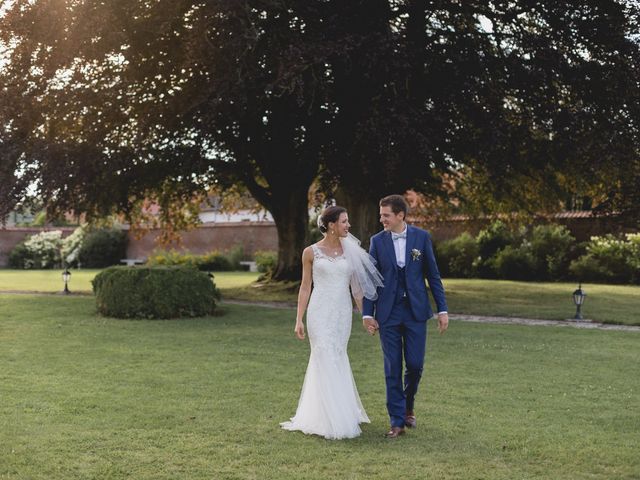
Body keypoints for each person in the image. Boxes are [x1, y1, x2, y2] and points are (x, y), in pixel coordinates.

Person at [281, 206, 384, 440]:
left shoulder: (352, 252)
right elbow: (305, 286)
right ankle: (327, 418)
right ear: (331, 225)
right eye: (344, 222)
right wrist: (299, 319)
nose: (349, 226)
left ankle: (342, 411)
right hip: (319, 312)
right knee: (323, 355)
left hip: (341, 313)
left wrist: (365, 316)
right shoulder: (310, 252)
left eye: (348, 221)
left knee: (338, 355)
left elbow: (357, 290)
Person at [362, 194, 448, 438]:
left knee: (414, 364)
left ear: (400, 215)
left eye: (386, 215)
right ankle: (396, 421)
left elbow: (433, 275)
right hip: (387, 313)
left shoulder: (422, 237)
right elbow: (371, 280)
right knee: (392, 367)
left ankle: (408, 405)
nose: (382, 220)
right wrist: (367, 314)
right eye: (381, 215)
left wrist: (442, 310)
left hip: (415, 312)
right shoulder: (377, 241)